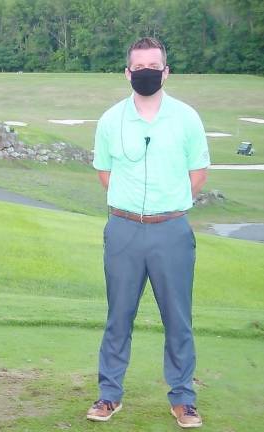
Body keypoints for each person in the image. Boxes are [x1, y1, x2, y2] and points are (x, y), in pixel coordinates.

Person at [87, 37, 209, 429]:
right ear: (127, 73)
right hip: (123, 229)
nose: (146, 73)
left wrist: (166, 205)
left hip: (171, 230)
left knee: (178, 318)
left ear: (166, 71)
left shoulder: (187, 118)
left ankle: (183, 398)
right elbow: (106, 174)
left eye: (153, 66)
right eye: (138, 67)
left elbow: (197, 175)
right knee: (118, 316)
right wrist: (133, 211)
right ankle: (109, 395)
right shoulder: (111, 119)